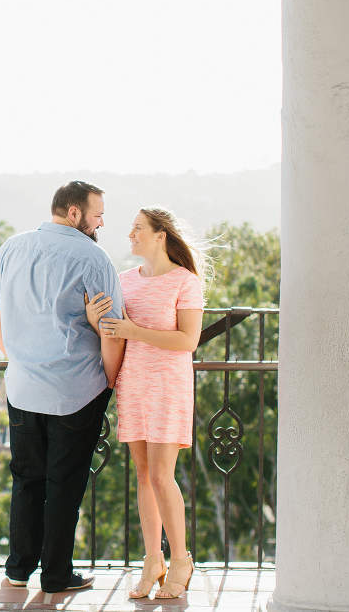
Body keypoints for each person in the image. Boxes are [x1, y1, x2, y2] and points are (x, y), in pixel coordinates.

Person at [0, 180, 125, 594]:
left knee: (27, 479)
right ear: (75, 213)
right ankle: (57, 575)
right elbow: (112, 331)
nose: (101, 224)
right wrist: (110, 383)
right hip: (75, 391)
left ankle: (18, 569)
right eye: (97, 215)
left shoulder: (12, 246)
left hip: (23, 387)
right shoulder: (95, 259)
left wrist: (19, 356)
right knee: (64, 483)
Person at [85, 206, 209, 600]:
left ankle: (182, 560)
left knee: (161, 476)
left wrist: (134, 330)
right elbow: (114, 332)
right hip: (133, 384)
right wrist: (94, 320)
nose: (130, 235)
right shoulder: (123, 280)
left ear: (160, 235)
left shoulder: (185, 282)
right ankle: (152, 559)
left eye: (138, 228)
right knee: (142, 475)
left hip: (168, 386)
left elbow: (188, 341)